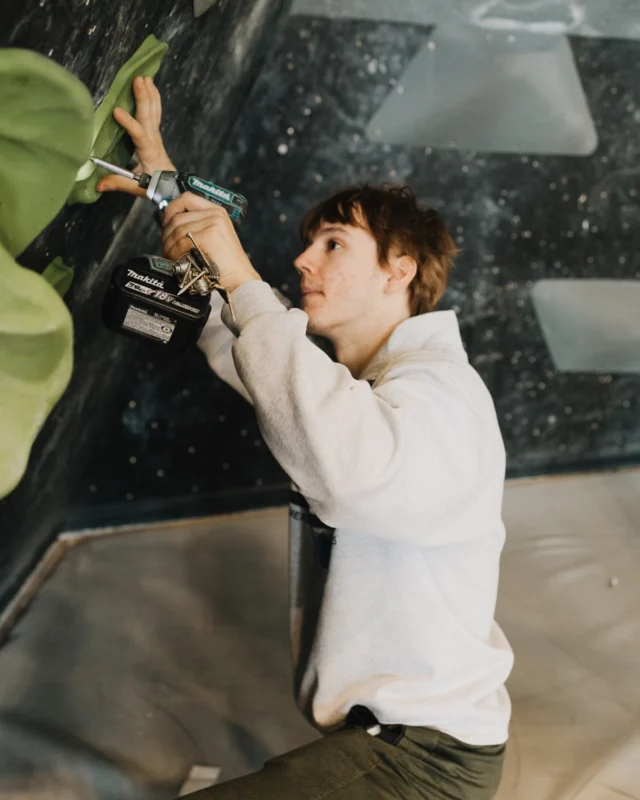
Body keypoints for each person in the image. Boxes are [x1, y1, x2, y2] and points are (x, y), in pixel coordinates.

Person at [100, 76, 514, 800]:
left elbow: (344, 462)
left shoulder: (444, 396)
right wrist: (167, 190)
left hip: (426, 764)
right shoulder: (369, 391)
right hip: (381, 748)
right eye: (307, 245)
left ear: (400, 269)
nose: (302, 261)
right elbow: (270, 369)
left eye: (333, 243)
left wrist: (237, 272)